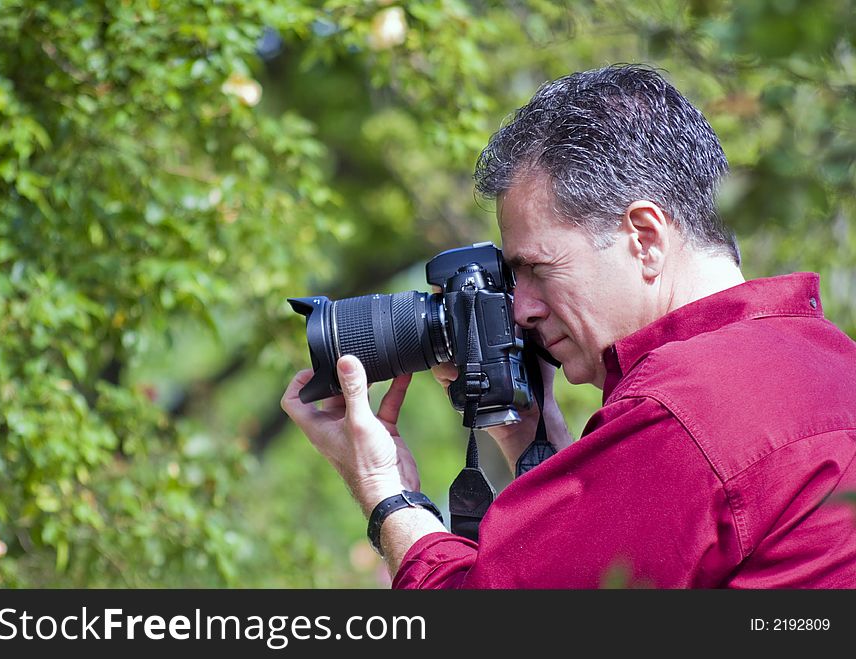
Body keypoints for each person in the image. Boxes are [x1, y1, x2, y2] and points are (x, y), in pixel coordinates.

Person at [281, 64, 856, 588]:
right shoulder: (829, 364)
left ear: (644, 237)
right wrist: (534, 438)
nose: (520, 308)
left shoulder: (686, 413)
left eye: (536, 268)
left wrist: (388, 496)